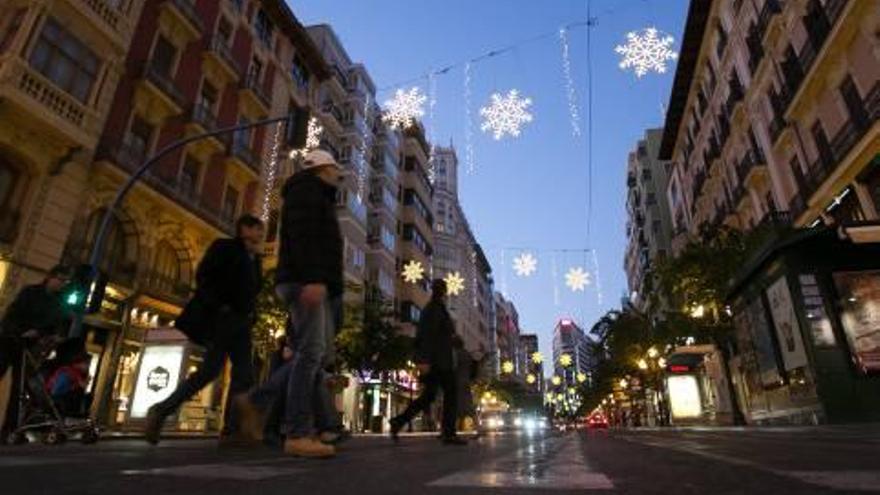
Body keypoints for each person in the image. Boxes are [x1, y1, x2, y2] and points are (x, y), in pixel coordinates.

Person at [144, 215, 265, 445]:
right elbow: (204, 276)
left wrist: (251, 315)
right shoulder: (225, 248)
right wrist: (220, 307)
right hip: (223, 319)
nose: (261, 234)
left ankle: (234, 430)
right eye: (258, 229)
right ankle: (161, 411)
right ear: (244, 229)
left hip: (242, 323)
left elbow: (252, 292)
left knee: (243, 374)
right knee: (211, 371)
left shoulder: (255, 259)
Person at [270, 149, 346, 458]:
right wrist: (314, 278)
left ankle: (260, 404)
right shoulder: (307, 191)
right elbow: (306, 236)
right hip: (305, 281)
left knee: (314, 355)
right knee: (310, 355)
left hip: (310, 281)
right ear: (321, 169)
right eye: (333, 169)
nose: (337, 175)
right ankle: (297, 432)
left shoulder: (313, 193)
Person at [390, 279, 467, 446]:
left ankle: (398, 422)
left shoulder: (437, 308)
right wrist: (423, 360)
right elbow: (426, 336)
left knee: (428, 397)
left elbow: (441, 335)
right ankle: (448, 433)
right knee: (450, 393)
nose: (442, 291)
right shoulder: (433, 309)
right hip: (438, 361)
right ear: (440, 291)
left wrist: (454, 339)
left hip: (438, 360)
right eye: (441, 288)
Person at [0, 265, 72, 442]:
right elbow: (12, 314)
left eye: (65, 282)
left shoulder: (58, 302)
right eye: (60, 280)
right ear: (50, 277)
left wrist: (46, 335)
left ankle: (10, 430)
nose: (62, 284)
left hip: (29, 346)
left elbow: (57, 325)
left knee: (19, 388)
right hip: (9, 340)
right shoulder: (31, 292)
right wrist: (20, 331)